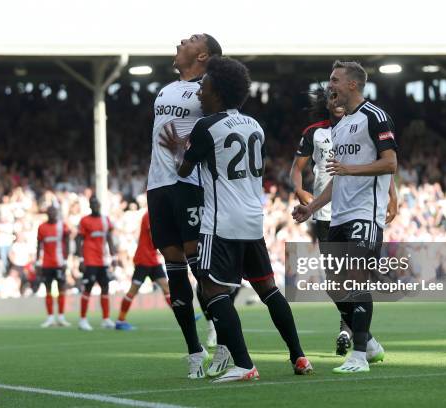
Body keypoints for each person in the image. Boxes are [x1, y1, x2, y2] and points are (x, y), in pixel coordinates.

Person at [161, 56, 313, 383]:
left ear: (217, 89)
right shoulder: (254, 125)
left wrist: (177, 150)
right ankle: (299, 356)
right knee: (269, 290)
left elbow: (184, 170)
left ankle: (244, 364)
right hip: (252, 220)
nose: (200, 91)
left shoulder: (206, 127)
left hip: (221, 222)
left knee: (212, 290)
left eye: (204, 85)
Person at [293, 60, 396, 373]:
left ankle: (360, 355)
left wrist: (354, 170)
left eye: (335, 80)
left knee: (355, 278)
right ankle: (372, 343)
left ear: (352, 84)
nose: (330, 86)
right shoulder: (338, 127)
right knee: (335, 286)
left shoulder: (375, 117)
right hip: (337, 215)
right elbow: (338, 179)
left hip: (366, 214)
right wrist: (311, 207)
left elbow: (390, 163)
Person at [146, 33, 222, 378]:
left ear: (203, 55)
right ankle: (194, 351)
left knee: (199, 267)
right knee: (173, 269)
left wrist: (185, 152)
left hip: (188, 184)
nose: (180, 40)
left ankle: (222, 338)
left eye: (190, 40)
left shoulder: (209, 88)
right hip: (157, 187)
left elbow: (219, 136)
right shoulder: (165, 90)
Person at [115, 210, 171, 330]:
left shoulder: (157, 215)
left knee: (166, 287)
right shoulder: (150, 215)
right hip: (143, 259)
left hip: (153, 260)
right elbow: (154, 237)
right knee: (133, 291)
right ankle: (120, 320)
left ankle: (185, 317)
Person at [76, 197, 117, 331]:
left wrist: (114, 256)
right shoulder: (84, 220)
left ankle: (105, 319)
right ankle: (82, 319)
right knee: (88, 288)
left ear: (99, 205)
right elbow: (79, 240)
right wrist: (81, 259)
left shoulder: (106, 220)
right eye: (92, 204)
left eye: (96, 204)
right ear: (89, 206)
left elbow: (110, 239)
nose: (94, 206)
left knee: (105, 288)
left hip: (103, 260)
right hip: (89, 260)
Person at [36, 205, 71, 328]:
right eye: (49, 212)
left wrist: (66, 260)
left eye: (54, 212)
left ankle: (61, 317)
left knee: (62, 289)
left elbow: (67, 243)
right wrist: (37, 262)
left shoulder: (63, 226)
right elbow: (39, 245)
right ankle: (50, 317)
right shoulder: (42, 227)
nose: (52, 214)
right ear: (47, 213)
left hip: (59, 263)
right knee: (48, 290)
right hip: (46, 264)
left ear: (56, 213)